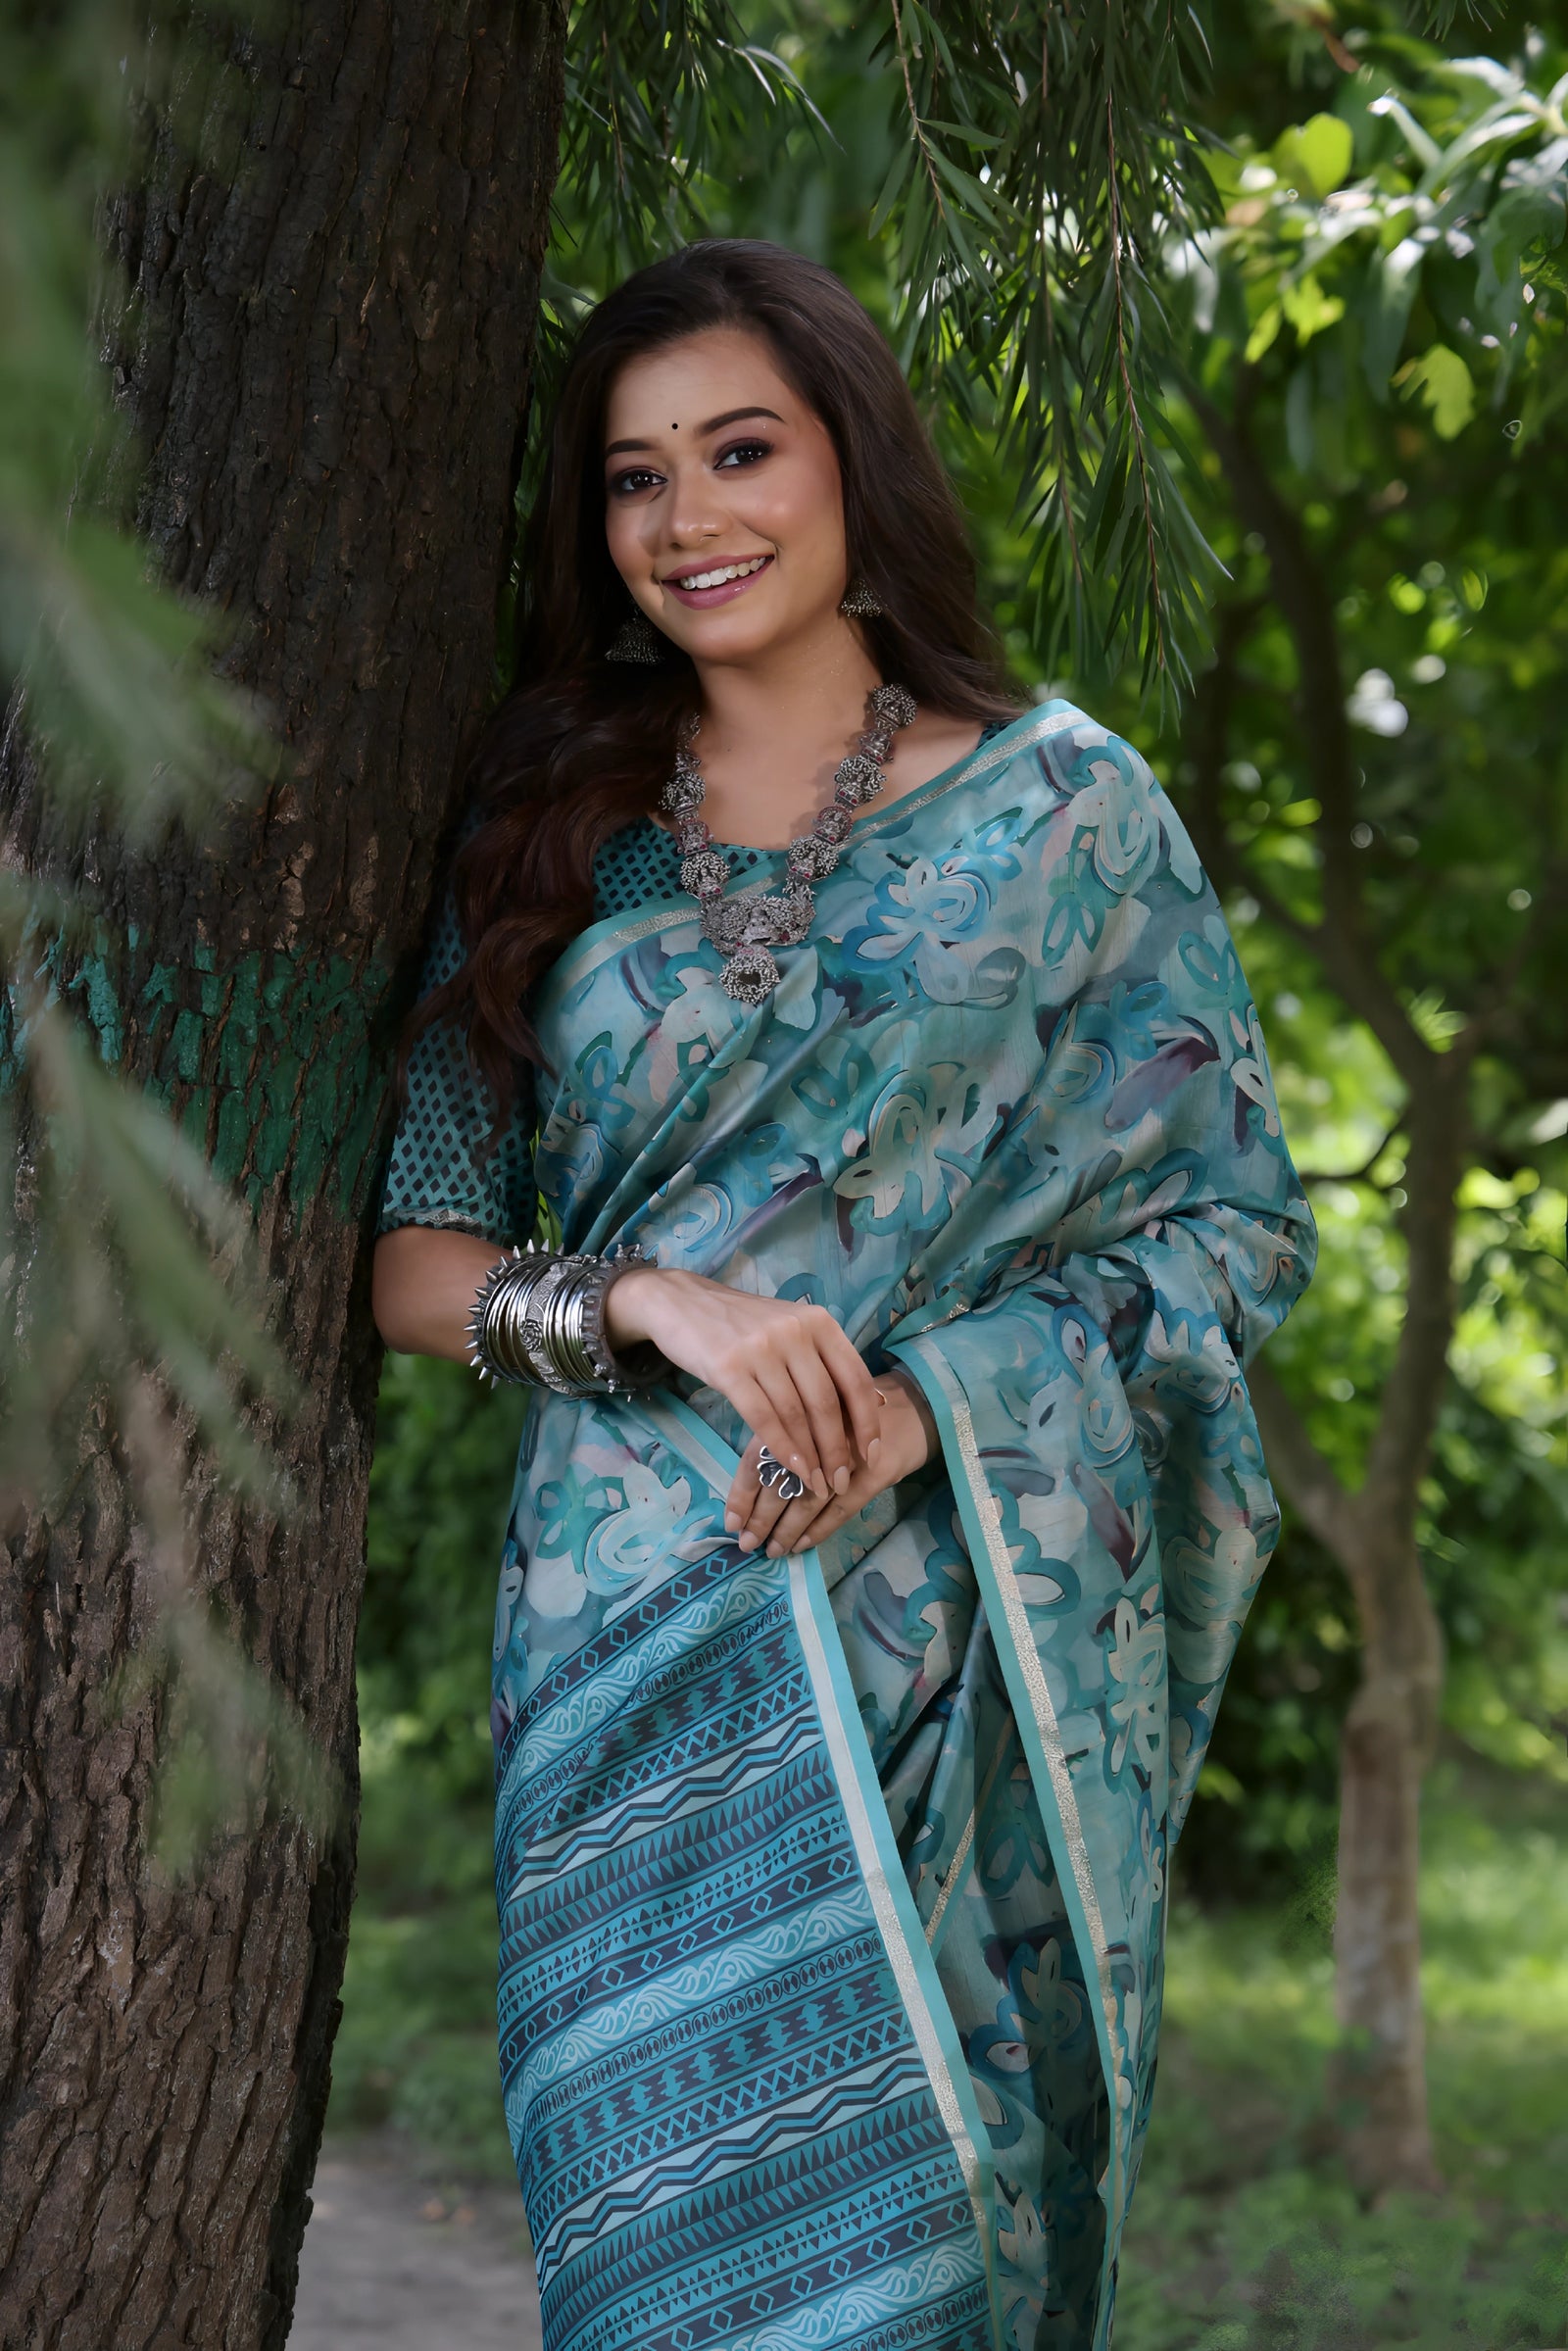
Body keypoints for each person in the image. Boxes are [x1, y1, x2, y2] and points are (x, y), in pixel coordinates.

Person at [371, 239, 1315, 2351]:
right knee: (662, 2273)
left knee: (923, 2263)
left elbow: (1230, 1232)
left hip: (944, 1625)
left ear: (849, 461)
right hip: (629, 1653)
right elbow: (412, 1265)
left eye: (737, 453)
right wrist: (654, 1307)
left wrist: (927, 1405)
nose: (688, 521)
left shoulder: (1069, 812)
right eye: (632, 482)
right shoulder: (555, 820)